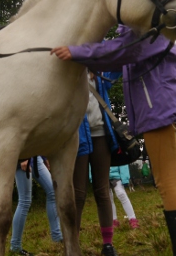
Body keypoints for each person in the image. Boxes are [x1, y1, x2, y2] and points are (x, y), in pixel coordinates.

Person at [51, 25, 176, 256]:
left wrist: (79, 52)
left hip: (155, 112)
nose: (119, 26)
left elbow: (120, 50)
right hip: (156, 112)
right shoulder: (152, 33)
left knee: (167, 183)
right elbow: (118, 57)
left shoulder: (146, 33)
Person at [72, 71, 120, 256]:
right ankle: (73, 245)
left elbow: (118, 67)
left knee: (102, 190)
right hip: (78, 138)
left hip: (101, 136)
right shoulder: (69, 72)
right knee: (78, 194)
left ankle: (108, 245)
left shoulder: (99, 74)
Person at [10, 157, 62, 256]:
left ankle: (57, 237)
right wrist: (21, 159)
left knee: (53, 192)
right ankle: (15, 246)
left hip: (34, 157)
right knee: (25, 201)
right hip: (22, 158)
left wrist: (44, 157)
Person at [109, 165, 139, 229]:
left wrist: (125, 179)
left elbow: (123, 161)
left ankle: (132, 219)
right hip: (102, 177)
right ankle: (113, 220)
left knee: (121, 194)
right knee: (108, 198)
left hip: (117, 176)